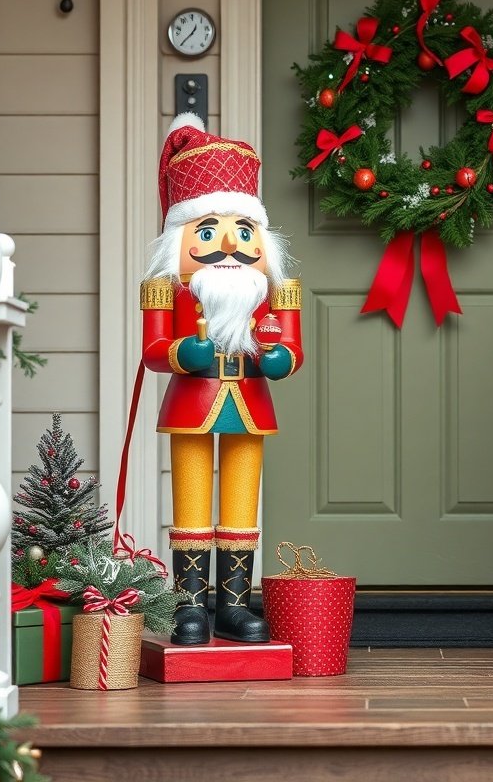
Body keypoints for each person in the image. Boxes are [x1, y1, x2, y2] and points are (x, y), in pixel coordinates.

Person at [140, 113, 303, 646]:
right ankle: (189, 608)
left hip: (251, 401)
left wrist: (281, 359)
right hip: (193, 398)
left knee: (240, 504)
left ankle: (233, 605)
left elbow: (291, 350)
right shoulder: (166, 287)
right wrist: (183, 351)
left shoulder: (276, 289)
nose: (228, 244)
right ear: (180, 238)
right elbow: (153, 351)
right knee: (189, 505)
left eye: (243, 230)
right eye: (207, 231)